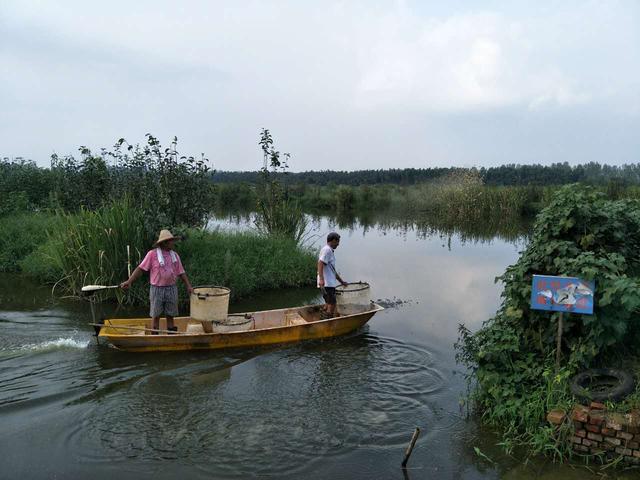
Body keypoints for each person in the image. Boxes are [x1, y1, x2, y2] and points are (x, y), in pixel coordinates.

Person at [120, 229, 193, 334]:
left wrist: (188, 286)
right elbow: (141, 269)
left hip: (171, 289)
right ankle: (155, 336)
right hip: (157, 289)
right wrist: (129, 281)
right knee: (156, 315)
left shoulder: (175, 256)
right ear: (164, 243)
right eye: (171, 241)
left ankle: (171, 335)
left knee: (170, 315)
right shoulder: (152, 254)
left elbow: (181, 272)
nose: (173, 243)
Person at [317, 232, 348, 318]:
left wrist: (341, 282)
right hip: (327, 283)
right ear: (334, 240)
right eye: (338, 242)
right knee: (332, 303)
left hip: (327, 283)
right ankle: (327, 322)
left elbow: (332, 271)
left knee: (328, 303)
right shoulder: (327, 250)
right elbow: (320, 263)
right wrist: (322, 280)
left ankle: (322, 316)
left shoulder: (328, 250)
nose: (338, 244)